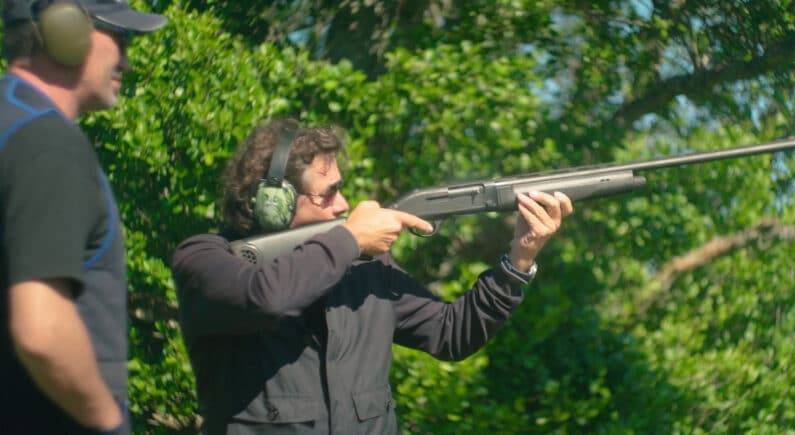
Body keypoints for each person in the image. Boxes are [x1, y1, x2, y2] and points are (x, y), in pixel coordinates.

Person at [172, 119, 573, 434]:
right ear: (273, 203)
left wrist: (520, 258)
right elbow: (265, 297)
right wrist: (349, 238)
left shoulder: (364, 267)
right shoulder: (206, 259)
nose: (343, 204)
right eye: (327, 194)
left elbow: (451, 334)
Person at [0, 1, 166, 434]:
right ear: (65, 29)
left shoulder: (12, 125)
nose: (127, 63)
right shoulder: (47, 144)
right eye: (121, 38)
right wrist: (109, 423)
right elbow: (42, 332)